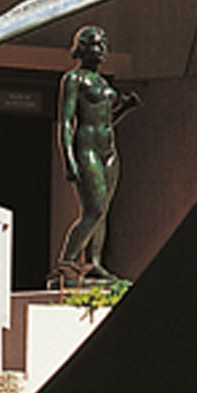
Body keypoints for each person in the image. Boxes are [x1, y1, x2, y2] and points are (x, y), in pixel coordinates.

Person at [56, 26, 140, 287]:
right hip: (87, 149)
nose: (101, 49)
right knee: (94, 210)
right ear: (82, 48)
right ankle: (67, 264)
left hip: (108, 152)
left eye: (103, 44)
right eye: (95, 44)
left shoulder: (103, 83)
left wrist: (125, 108)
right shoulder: (74, 79)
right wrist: (68, 158)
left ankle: (94, 263)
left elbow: (106, 120)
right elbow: (66, 121)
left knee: (103, 211)